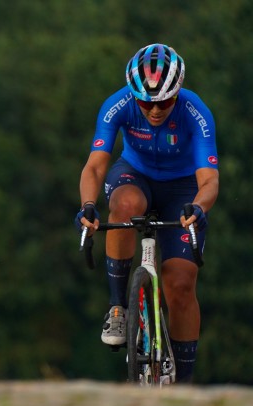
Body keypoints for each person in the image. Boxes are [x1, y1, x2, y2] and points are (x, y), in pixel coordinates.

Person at [76, 43, 219, 383]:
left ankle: (182, 385)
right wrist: (87, 206)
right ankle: (117, 308)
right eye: (146, 102)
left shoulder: (195, 111)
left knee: (181, 284)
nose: (155, 110)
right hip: (134, 176)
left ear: (178, 92)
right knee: (125, 206)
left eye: (165, 101)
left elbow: (210, 179)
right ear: (133, 95)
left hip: (182, 188)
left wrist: (198, 207)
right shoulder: (117, 105)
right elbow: (95, 167)